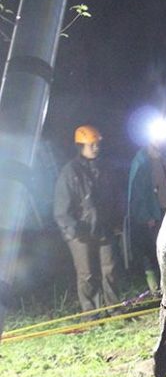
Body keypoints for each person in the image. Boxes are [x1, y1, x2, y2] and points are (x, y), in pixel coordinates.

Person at [54, 125, 120, 313]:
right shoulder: (69, 172)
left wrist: (116, 222)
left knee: (110, 270)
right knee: (87, 275)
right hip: (80, 233)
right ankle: (91, 315)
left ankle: (115, 311)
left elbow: (114, 197)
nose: (96, 148)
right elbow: (61, 209)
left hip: (104, 228)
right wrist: (73, 231)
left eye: (97, 144)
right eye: (92, 145)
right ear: (80, 146)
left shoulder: (105, 168)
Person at [127, 137, 166, 293]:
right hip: (152, 215)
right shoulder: (142, 161)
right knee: (153, 251)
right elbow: (137, 192)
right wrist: (146, 216)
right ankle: (156, 288)